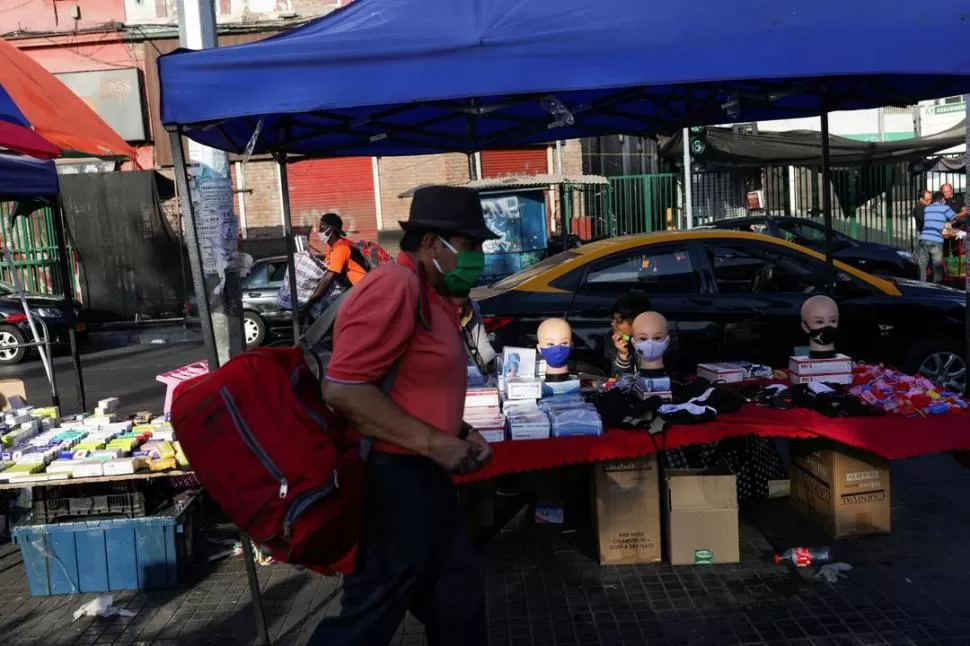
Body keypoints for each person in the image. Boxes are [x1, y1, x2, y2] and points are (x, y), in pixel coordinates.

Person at [308, 185, 499, 646]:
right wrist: (438, 443)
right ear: (433, 244)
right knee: (368, 616)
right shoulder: (396, 286)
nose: (477, 258)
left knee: (458, 603)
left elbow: (412, 387)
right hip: (395, 482)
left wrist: (461, 431)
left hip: (424, 477)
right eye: (470, 247)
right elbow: (345, 389)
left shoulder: (430, 294)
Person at [302, 212, 368, 318]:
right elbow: (324, 268)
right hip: (356, 290)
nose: (319, 232)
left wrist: (311, 300)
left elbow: (328, 277)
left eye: (322, 228)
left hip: (363, 292)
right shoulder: (334, 247)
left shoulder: (341, 248)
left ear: (331, 230)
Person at [918, 191, 966, 283]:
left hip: (923, 238)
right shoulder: (945, 208)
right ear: (942, 200)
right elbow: (955, 218)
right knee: (937, 267)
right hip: (936, 239)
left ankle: (921, 286)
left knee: (922, 265)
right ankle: (937, 287)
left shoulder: (927, 208)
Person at [606, 290, 652, 377]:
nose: (613, 324)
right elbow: (617, 378)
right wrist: (623, 355)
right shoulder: (614, 339)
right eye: (613, 319)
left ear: (637, 321)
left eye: (619, 321)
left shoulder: (657, 341)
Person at [453, 295, 497, 377]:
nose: (460, 311)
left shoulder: (472, 310)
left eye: (462, 305)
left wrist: (490, 365)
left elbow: (482, 343)